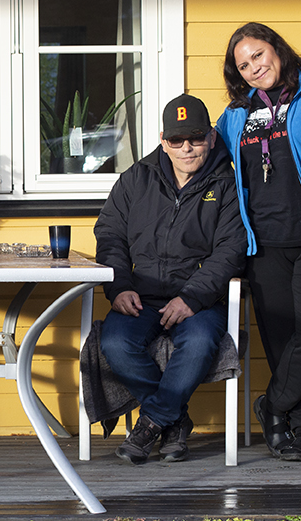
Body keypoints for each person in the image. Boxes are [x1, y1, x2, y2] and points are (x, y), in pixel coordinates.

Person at [95, 94, 247, 464]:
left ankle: (150, 424)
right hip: (141, 295)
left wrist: (192, 297)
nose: (186, 148)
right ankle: (174, 422)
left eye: (195, 137)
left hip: (199, 300)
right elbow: (110, 235)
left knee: (197, 343)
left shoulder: (227, 183)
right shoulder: (136, 179)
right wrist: (119, 287)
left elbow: (231, 249)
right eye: (176, 140)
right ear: (164, 140)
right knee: (114, 342)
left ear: (211, 137)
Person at [215, 22, 301, 462]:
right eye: (243, 64)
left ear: (278, 50)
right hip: (262, 244)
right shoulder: (234, 116)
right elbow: (200, 158)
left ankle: (271, 405)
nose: (253, 67)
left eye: (258, 55)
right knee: (282, 341)